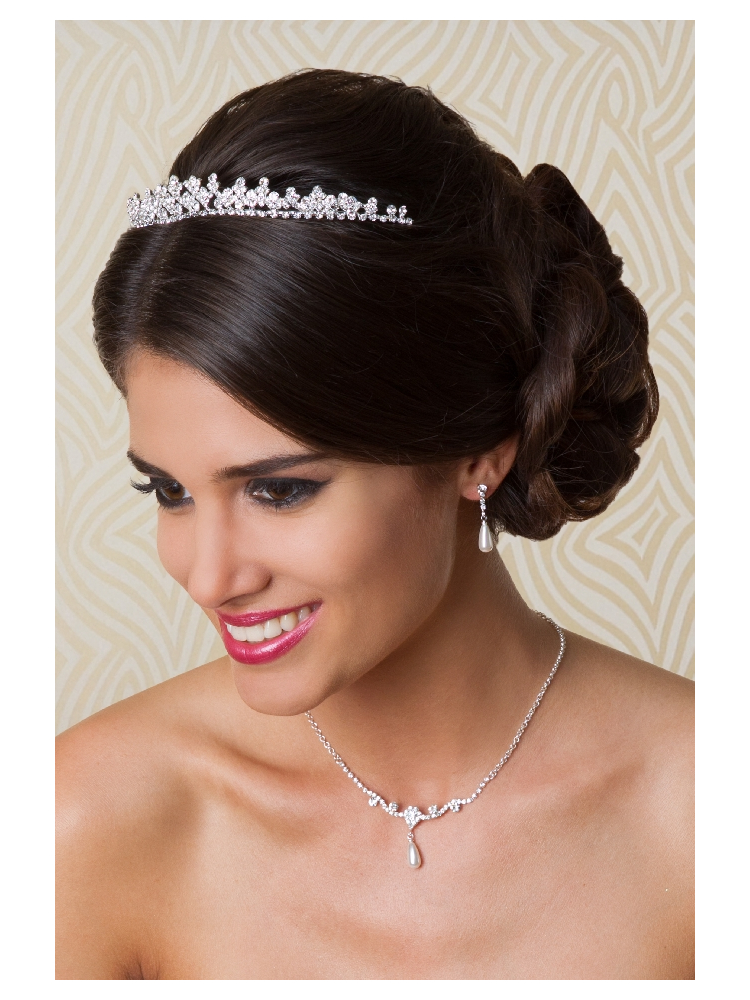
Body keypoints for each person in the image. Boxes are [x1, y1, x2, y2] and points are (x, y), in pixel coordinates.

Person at [55, 69, 693, 980]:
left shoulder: (703, 812)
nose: (208, 576)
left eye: (280, 490)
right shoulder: (88, 820)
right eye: (170, 491)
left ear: (479, 449)